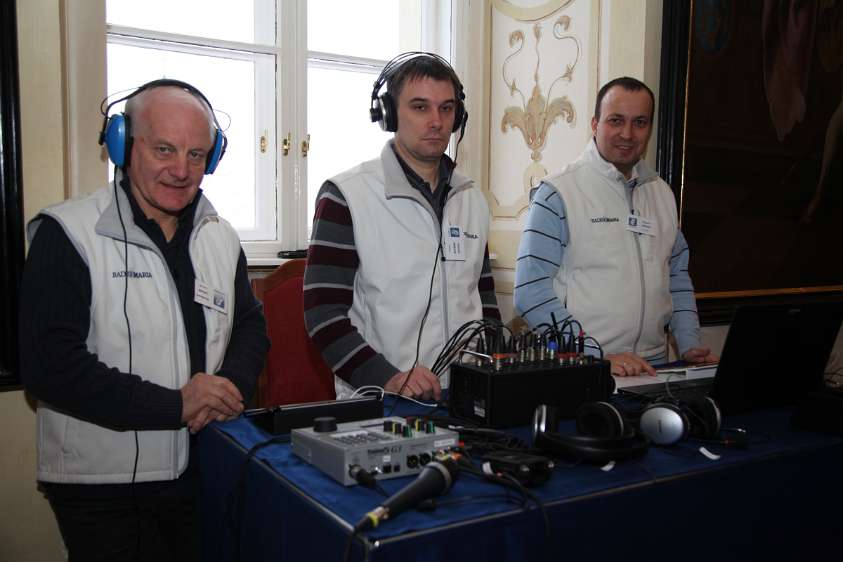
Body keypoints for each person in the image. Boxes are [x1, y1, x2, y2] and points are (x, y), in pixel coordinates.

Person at [19, 80, 269, 562]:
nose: (181, 170)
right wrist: (176, 404)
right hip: (103, 490)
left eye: (197, 154)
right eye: (163, 149)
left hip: (202, 469)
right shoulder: (67, 234)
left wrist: (226, 389)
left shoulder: (220, 236)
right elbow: (50, 367)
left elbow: (250, 325)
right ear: (122, 144)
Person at [304, 52, 499, 401]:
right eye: (420, 107)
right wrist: (388, 377)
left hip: (467, 395)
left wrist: (498, 365)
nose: (437, 121)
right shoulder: (346, 195)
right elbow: (323, 314)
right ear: (389, 114)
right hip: (381, 399)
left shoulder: (472, 199)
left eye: (447, 108)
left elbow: (484, 298)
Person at [513, 77, 716, 377]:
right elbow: (530, 292)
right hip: (584, 368)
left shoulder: (662, 193)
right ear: (595, 124)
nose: (627, 133)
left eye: (640, 122)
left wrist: (688, 343)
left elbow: (676, 275)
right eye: (616, 120)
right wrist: (596, 354)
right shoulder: (558, 193)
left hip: (655, 367)